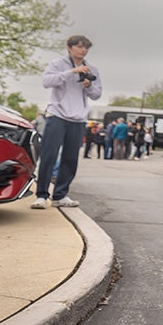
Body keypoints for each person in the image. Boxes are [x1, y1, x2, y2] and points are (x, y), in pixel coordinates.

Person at [32, 35, 103, 209]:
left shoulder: (91, 68)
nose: (83, 50)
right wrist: (71, 72)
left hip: (78, 118)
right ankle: (41, 195)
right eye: (79, 46)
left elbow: (97, 94)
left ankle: (60, 194)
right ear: (69, 47)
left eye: (86, 47)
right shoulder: (57, 64)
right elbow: (47, 82)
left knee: (70, 158)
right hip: (57, 115)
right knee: (49, 155)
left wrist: (88, 85)